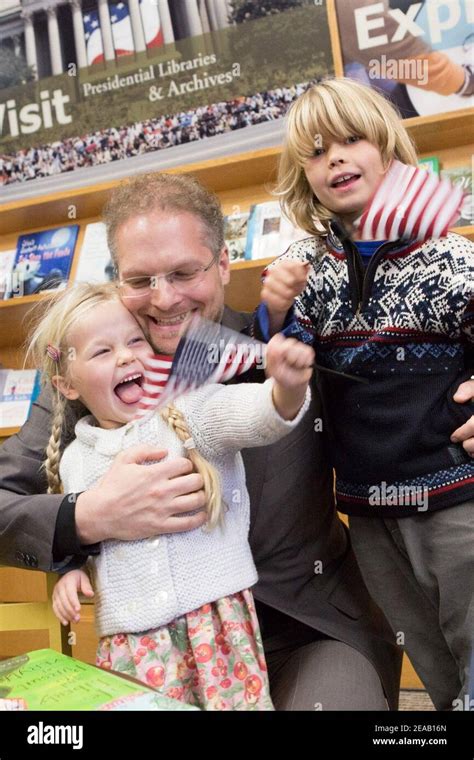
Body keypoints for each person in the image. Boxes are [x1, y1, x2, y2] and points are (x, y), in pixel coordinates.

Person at [1, 173, 474, 711]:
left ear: (223, 264)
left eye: (184, 272)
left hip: (309, 630)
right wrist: (86, 518)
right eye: (140, 279)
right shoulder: (84, 383)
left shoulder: (289, 347)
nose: (163, 298)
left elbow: (416, 369)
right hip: (160, 651)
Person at [257, 77, 474, 710]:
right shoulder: (308, 266)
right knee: (429, 655)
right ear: (305, 174)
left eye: (352, 140)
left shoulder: (449, 257)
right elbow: (283, 356)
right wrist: (273, 312)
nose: (336, 158)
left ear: (387, 147)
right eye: (318, 151)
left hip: (456, 495)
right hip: (368, 508)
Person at [27, 281, 314, 710]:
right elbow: (85, 538)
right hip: (130, 646)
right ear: (67, 385)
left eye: (135, 341)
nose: (125, 356)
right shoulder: (73, 460)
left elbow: (253, 416)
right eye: (102, 352)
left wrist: (285, 390)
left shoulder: (191, 411)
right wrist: (72, 572)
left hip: (215, 629)